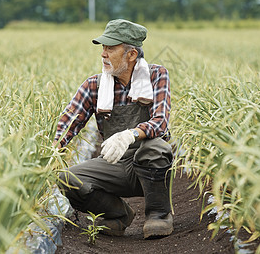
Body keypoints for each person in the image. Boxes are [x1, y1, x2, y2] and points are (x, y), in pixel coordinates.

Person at [55, 19, 173, 239]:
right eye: (103, 48)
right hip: (115, 164)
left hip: (149, 164)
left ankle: (159, 214)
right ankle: (118, 214)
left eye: (111, 48)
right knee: (66, 178)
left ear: (131, 55)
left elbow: (160, 123)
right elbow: (68, 123)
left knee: (155, 149)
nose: (103, 54)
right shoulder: (95, 85)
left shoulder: (156, 75)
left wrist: (130, 135)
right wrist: (50, 152)